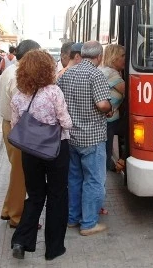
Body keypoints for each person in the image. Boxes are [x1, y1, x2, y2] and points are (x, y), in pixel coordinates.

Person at [10, 50, 72, 261]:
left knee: (35, 195)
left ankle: (21, 240)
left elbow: (15, 124)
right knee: (57, 195)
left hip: (30, 151)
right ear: (48, 69)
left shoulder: (19, 95)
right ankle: (53, 249)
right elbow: (66, 122)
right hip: (56, 149)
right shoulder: (53, 92)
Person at [57, 40, 112, 236]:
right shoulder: (96, 74)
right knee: (94, 180)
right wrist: (110, 108)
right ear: (99, 57)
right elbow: (103, 104)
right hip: (92, 137)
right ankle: (88, 223)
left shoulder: (67, 73)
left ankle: (72, 218)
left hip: (71, 136)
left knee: (74, 178)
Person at [0, 39, 40, 228]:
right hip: (18, 128)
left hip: (10, 125)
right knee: (21, 173)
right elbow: (22, 108)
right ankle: (17, 216)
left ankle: (8, 209)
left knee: (17, 171)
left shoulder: (10, 70)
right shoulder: (18, 75)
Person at [100, 44, 126, 172]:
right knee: (106, 151)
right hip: (108, 121)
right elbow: (130, 92)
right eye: (122, 56)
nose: (125, 59)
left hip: (111, 119)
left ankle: (114, 164)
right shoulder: (111, 74)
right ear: (114, 58)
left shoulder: (109, 71)